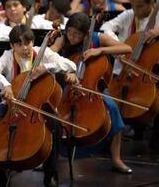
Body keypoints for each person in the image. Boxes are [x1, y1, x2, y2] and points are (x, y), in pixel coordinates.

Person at [0, 25, 77, 187]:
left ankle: (50, 173)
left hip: (39, 106)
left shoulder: (43, 53)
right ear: (12, 46)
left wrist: (46, 67)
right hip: (12, 103)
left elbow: (71, 65)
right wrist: (5, 85)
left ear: (32, 42)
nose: (24, 48)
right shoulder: (7, 56)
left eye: (27, 43)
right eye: (19, 44)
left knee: (56, 125)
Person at [50, 12, 133, 173]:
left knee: (113, 109)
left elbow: (127, 48)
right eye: (70, 33)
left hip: (92, 89)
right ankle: (49, 158)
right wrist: (59, 63)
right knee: (51, 113)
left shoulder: (97, 38)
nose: (72, 37)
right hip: (68, 87)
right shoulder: (63, 39)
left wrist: (100, 50)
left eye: (77, 35)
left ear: (86, 33)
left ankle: (116, 159)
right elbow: (51, 52)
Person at [100, 0, 159, 153]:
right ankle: (112, 138)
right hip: (124, 68)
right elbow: (106, 27)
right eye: (133, 5)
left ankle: (156, 137)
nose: (135, 10)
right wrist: (119, 45)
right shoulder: (128, 14)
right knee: (110, 98)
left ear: (152, 3)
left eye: (140, 6)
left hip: (152, 70)